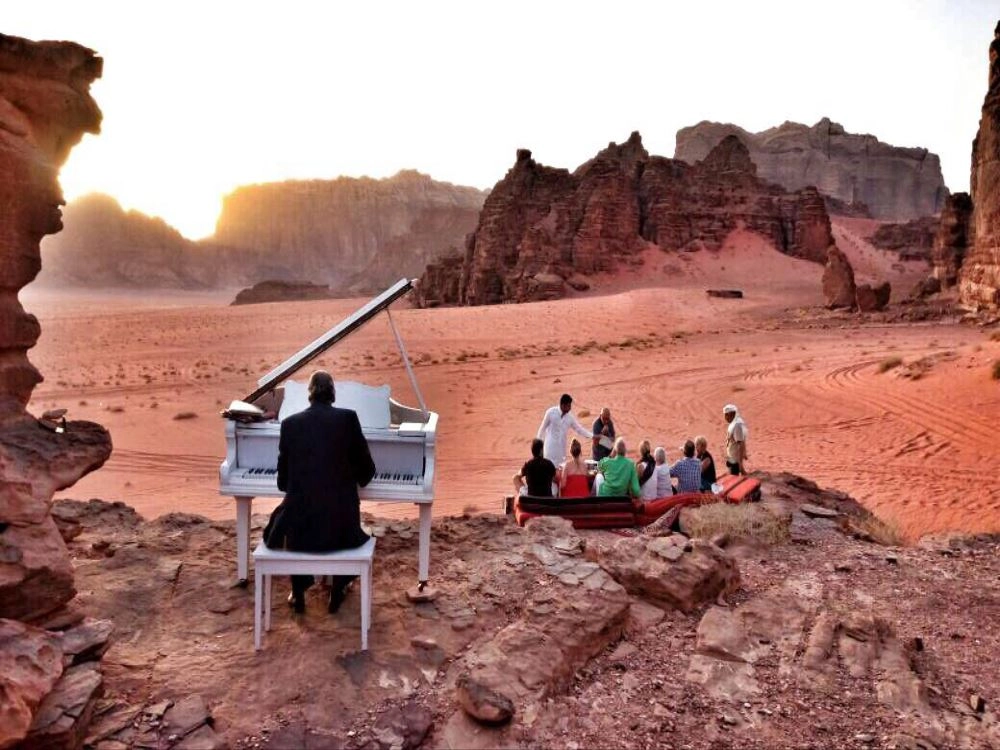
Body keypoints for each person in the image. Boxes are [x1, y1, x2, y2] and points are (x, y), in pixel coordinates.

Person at [276, 370, 375, 614]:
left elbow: (282, 483)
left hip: (302, 529)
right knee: (342, 521)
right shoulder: (348, 419)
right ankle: (338, 588)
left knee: (293, 517)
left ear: (309, 395)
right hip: (340, 527)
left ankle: (299, 591)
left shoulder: (289, 425)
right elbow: (367, 473)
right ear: (333, 394)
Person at [537, 393, 593, 464]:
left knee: (560, 470)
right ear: (562, 405)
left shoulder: (570, 417)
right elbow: (542, 429)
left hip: (561, 451)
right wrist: (538, 448)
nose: (570, 408)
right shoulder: (550, 412)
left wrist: (592, 436)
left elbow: (579, 429)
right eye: (568, 406)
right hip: (549, 449)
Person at [723, 404, 749, 476]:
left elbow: (741, 444)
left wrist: (740, 464)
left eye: (726, 415)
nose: (725, 417)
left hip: (735, 460)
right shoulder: (733, 423)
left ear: (731, 414)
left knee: (734, 479)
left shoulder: (737, 425)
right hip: (732, 457)